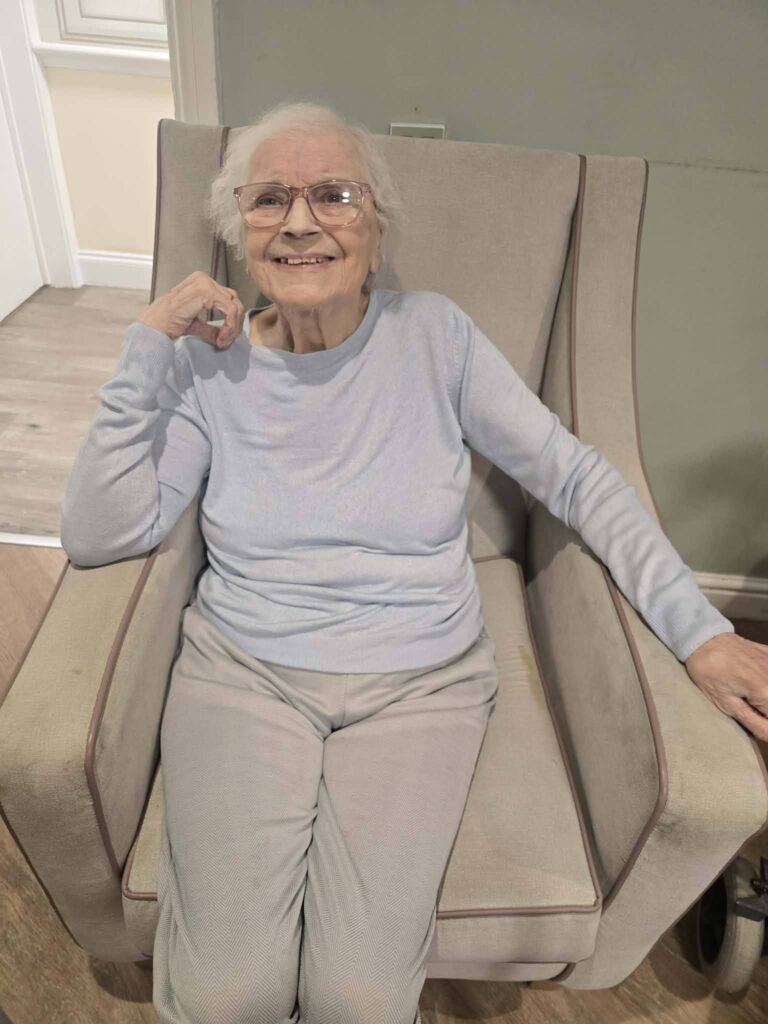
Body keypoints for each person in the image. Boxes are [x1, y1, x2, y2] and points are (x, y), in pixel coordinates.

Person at [59, 100, 768, 1024]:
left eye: (334, 195)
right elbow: (99, 532)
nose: (301, 222)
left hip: (420, 685)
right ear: (239, 233)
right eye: (269, 199)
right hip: (242, 677)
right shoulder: (208, 367)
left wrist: (702, 634)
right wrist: (148, 347)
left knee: (358, 997)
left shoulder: (436, 335)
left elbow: (578, 478)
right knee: (226, 994)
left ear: (377, 230)